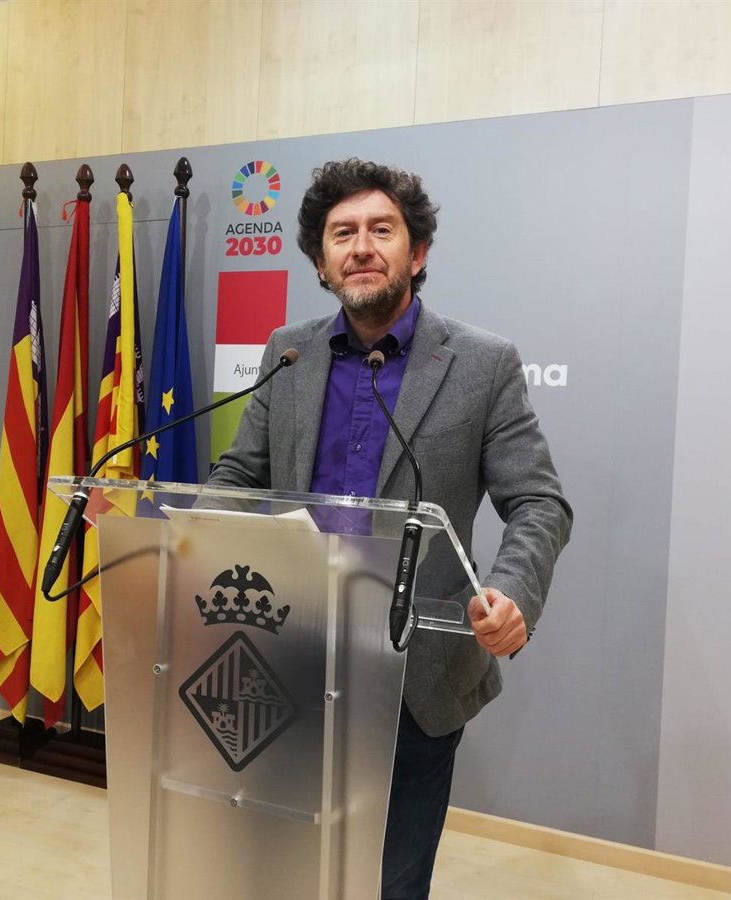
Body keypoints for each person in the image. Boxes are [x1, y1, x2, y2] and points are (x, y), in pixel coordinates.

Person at [207, 159, 572, 900]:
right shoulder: (288, 351)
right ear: (321, 261)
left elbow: (538, 502)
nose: (362, 247)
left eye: (382, 229)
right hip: (290, 648)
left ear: (418, 250)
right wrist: (189, 531)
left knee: (392, 882)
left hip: (417, 669)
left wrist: (513, 592)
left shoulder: (482, 363)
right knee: (284, 864)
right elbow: (240, 475)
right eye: (342, 234)